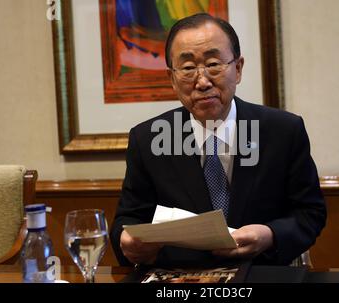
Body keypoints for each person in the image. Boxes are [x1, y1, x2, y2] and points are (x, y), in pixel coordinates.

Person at [110, 13, 326, 268]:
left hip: (261, 272)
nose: (202, 82)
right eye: (188, 68)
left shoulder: (283, 131)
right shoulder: (147, 139)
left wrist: (269, 236)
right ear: (171, 78)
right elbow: (129, 220)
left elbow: (310, 213)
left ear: (238, 68)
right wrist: (129, 242)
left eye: (213, 64)